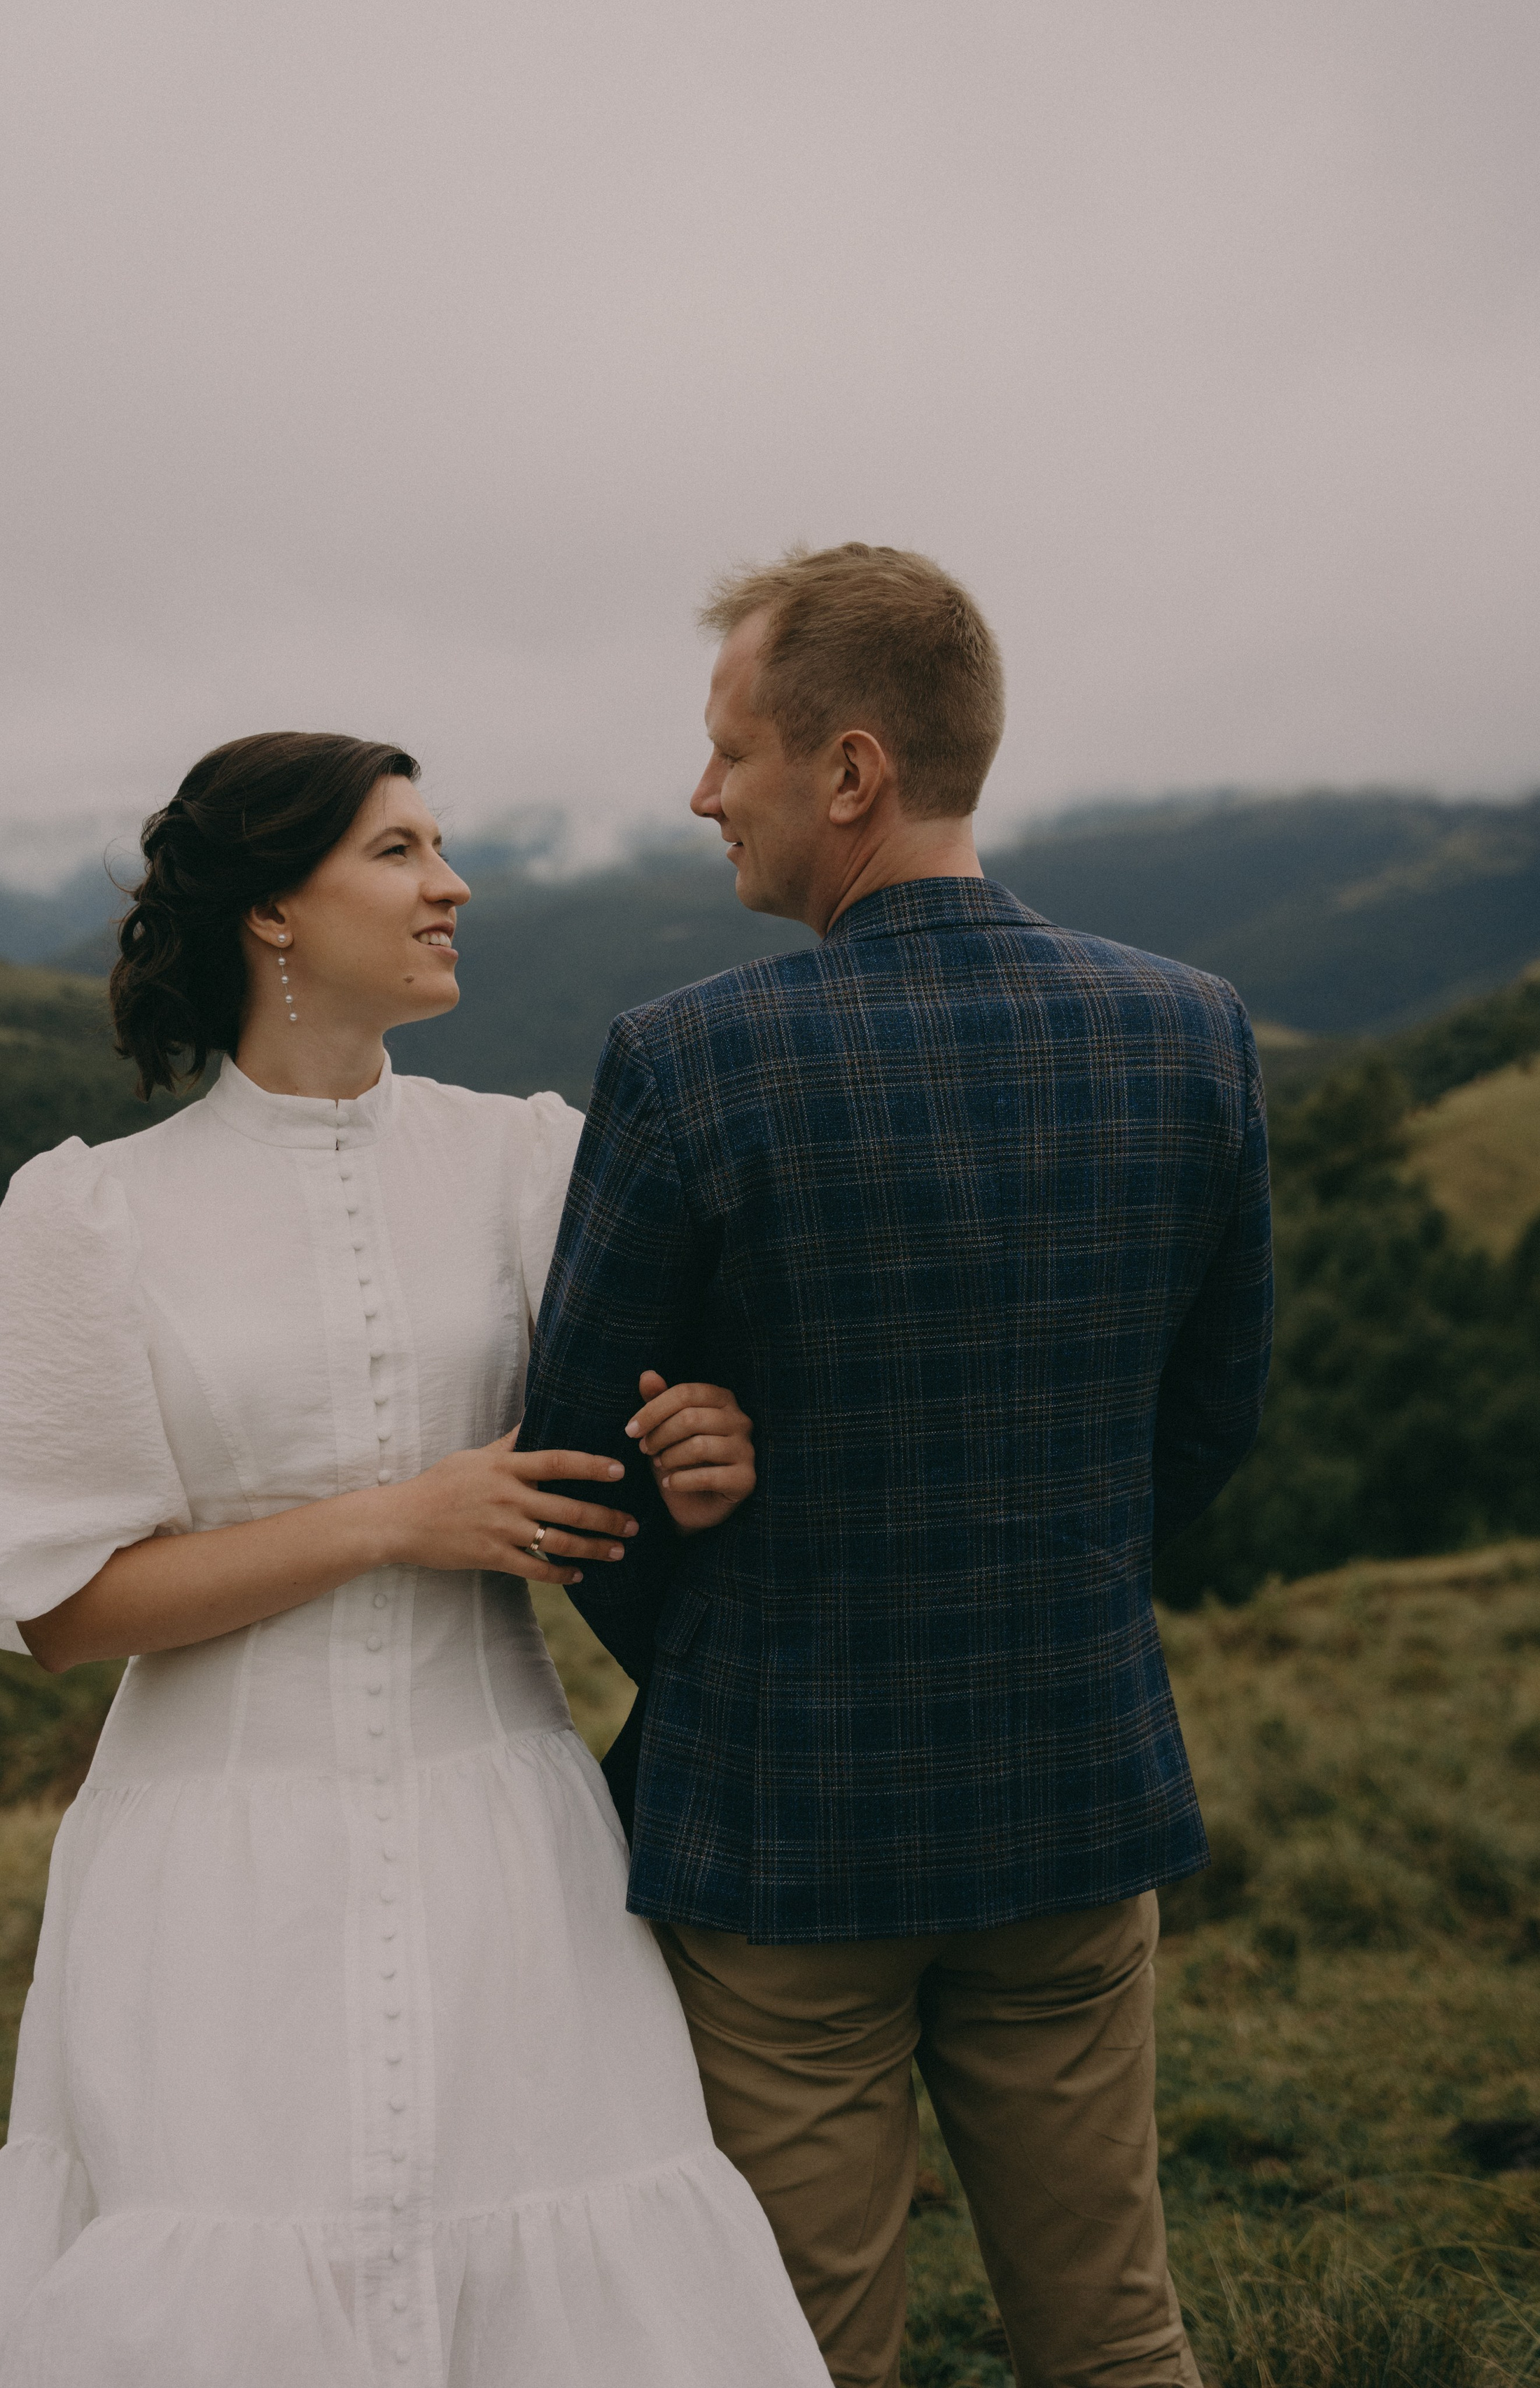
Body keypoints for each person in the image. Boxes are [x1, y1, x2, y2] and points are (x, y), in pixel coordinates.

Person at [0, 732, 831, 2388]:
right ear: (272, 907)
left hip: (505, 1838)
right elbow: (58, 1610)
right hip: (213, 1864)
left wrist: (705, 1446)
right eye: (398, 850)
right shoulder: (93, 1214)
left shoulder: (525, 1159)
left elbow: (640, 1440)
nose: (450, 884)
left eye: (441, 846)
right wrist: (394, 1518)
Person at [520, 544, 1274, 2388]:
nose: (702, 791)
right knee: (1115, 2334)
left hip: (784, 1829)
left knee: (793, 2351)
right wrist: (1050, 1580)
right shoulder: (1190, 1028)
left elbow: (569, 1469)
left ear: (849, 770)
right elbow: (1209, 1418)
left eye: (733, 750)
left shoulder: (689, 1061)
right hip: (1073, 1787)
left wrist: (734, 1631)